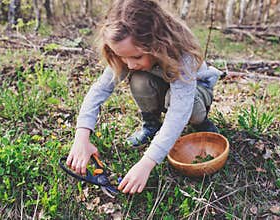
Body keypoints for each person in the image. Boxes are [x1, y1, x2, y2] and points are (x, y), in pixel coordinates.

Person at [66, 0, 221, 194]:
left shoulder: (182, 55)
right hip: (163, 85)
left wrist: (147, 163)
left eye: (137, 57)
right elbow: (99, 91)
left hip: (196, 90)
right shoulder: (128, 54)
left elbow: (178, 112)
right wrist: (82, 137)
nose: (129, 65)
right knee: (139, 80)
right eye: (122, 56)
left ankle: (201, 124)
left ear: (157, 44)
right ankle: (151, 125)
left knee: (186, 108)